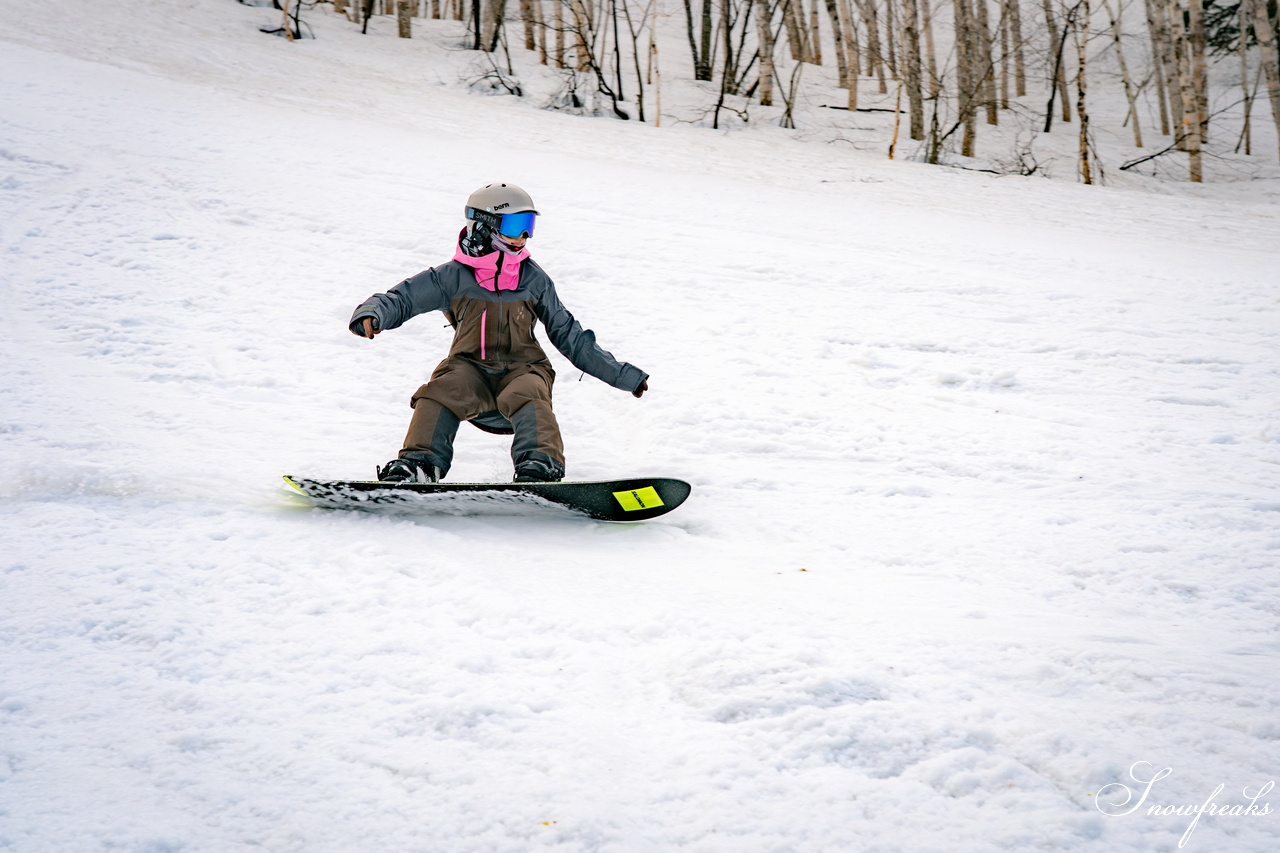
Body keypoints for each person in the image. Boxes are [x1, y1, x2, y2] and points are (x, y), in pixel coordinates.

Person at [349, 183, 649, 484]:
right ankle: (419, 465)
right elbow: (404, 298)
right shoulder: (452, 277)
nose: (524, 236)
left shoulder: (533, 280)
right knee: (439, 390)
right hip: (469, 368)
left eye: (529, 226)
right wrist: (374, 312)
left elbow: (569, 335)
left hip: (524, 367)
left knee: (528, 391)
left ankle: (540, 465)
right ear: (483, 227)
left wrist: (622, 375)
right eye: (516, 225)